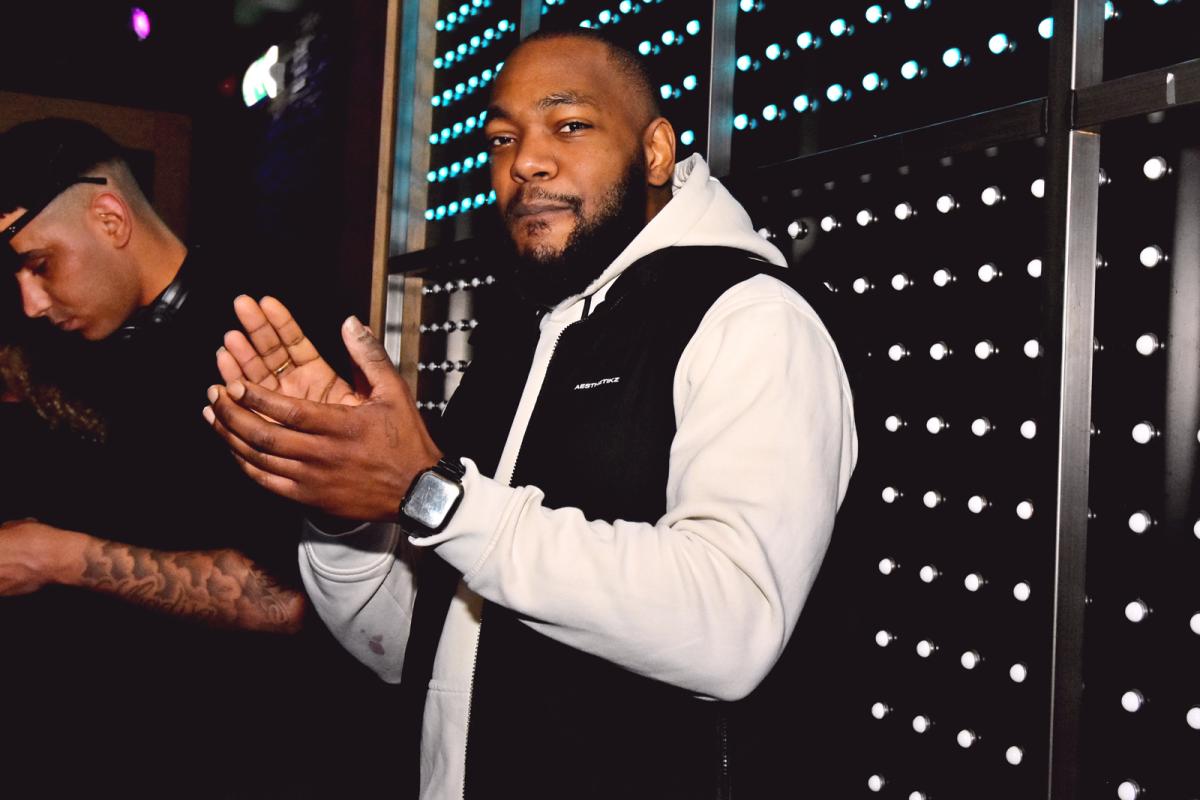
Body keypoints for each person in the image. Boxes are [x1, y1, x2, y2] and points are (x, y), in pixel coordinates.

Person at [207, 28, 858, 799]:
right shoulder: (522, 342)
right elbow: (410, 649)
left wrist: (429, 494)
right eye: (501, 139)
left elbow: (733, 627)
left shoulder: (750, 318)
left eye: (570, 124)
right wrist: (344, 507)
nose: (525, 162)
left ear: (655, 152)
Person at [0, 118, 370, 795]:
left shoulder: (263, 335)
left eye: (41, 264)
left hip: (232, 751)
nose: (30, 303)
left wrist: (51, 557)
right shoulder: (83, 346)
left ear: (110, 218)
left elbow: (284, 602)